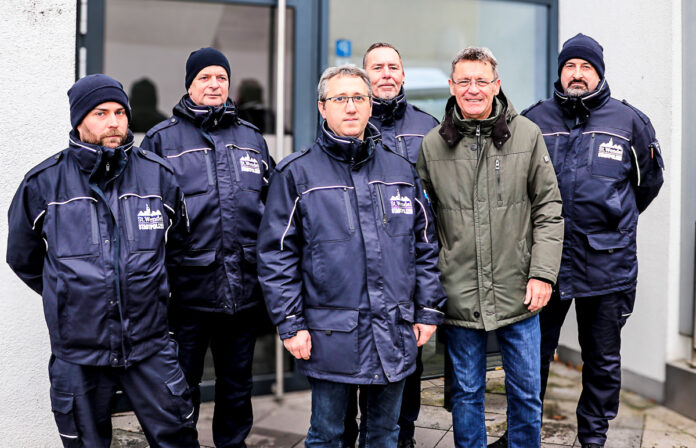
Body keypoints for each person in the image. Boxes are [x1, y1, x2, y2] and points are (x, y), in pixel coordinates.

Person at [257, 64, 446, 447]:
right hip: (330, 335)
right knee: (327, 434)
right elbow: (277, 256)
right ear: (322, 107)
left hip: (393, 329)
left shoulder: (400, 170)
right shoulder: (296, 173)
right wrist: (290, 323)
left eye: (359, 98)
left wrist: (427, 310)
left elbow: (425, 244)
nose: (351, 107)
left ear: (371, 105)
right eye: (340, 98)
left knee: (384, 433)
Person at [6, 74, 198, 447]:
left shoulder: (158, 176)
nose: (113, 122)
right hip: (79, 351)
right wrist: (68, 294)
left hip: (149, 344)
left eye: (120, 112)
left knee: (177, 435)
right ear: (79, 120)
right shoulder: (43, 184)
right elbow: (23, 258)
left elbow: (178, 251)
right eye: (100, 113)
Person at [416, 47, 564, 448]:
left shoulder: (527, 135)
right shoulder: (432, 146)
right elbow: (422, 225)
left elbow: (549, 208)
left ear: (496, 85)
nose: (473, 89)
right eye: (464, 81)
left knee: (526, 395)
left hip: (520, 291)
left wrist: (543, 273)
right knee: (465, 395)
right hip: (459, 292)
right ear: (452, 87)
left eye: (481, 80)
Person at [522, 33, 664, 448]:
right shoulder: (534, 121)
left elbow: (647, 184)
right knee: (532, 356)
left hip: (608, 265)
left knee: (601, 360)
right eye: (571, 66)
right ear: (560, 71)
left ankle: (593, 438)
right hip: (544, 264)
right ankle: (523, 435)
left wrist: (613, 223)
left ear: (599, 73)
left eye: (587, 67)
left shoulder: (629, 122)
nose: (578, 74)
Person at [141, 47, 274, 448]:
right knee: (179, 388)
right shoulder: (161, 141)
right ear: (190, 85)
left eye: (221, 77)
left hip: (243, 293)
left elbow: (270, 211)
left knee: (237, 387)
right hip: (186, 295)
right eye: (205, 78)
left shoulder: (251, 139)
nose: (214, 84)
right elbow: (145, 222)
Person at [340, 42, 440, 448]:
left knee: (406, 369)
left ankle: (405, 439)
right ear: (364, 76)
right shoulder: (347, 121)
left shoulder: (428, 127)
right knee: (346, 377)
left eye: (392, 67)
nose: (385, 73)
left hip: (407, 271)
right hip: (353, 275)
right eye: (376, 67)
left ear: (403, 75)